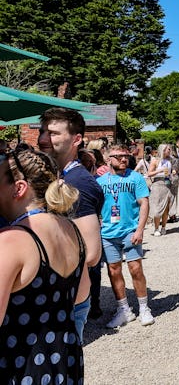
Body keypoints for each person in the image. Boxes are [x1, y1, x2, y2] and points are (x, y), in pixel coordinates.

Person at [0, 148, 86, 383]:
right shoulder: (72, 230)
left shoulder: (11, 240)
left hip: (21, 365)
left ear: (19, 188)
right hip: (65, 362)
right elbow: (81, 296)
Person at [37, 107, 104, 337]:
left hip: (66, 300)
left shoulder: (79, 183)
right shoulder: (59, 175)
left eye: (53, 133)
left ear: (76, 139)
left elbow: (92, 253)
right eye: (43, 131)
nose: (43, 138)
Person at [98, 143, 154, 327]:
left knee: (135, 269)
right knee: (113, 271)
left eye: (125, 156)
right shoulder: (99, 182)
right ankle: (124, 310)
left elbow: (144, 203)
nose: (124, 159)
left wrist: (139, 230)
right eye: (119, 156)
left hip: (130, 231)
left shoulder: (135, 178)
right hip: (107, 233)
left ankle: (144, 307)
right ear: (108, 159)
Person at [148, 143, 178, 236]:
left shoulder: (171, 160)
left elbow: (174, 169)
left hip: (168, 184)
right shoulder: (155, 160)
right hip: (158, 184)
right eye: (168, 149)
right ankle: (156, 228)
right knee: (157, 209)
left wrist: (173, 172)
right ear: (163, 150)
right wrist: (159, 171)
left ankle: (163, 227)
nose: (170, 151)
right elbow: (149, 173)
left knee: (166, 208)